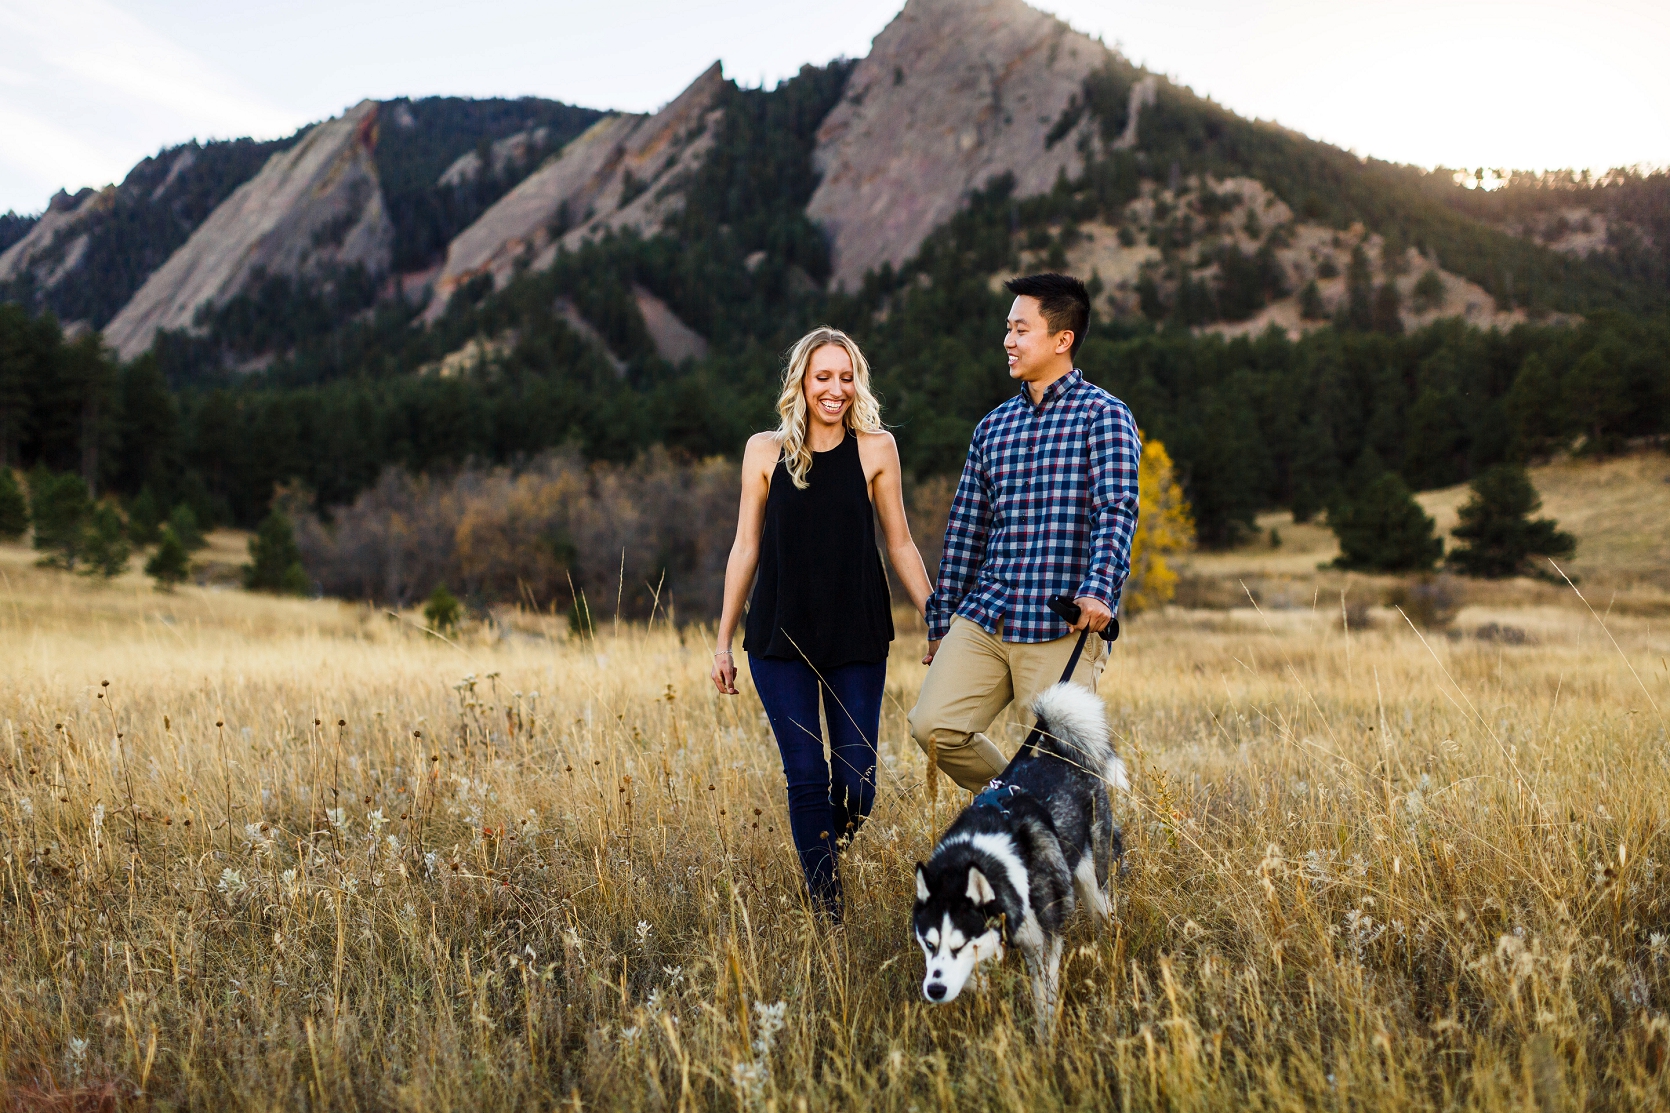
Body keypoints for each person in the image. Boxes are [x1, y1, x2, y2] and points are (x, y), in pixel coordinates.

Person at [712, 326, 933, 918]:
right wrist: (723, 640)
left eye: (845, 376)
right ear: (802, 383)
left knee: (858, 782)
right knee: (806, 775)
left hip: (857, 634)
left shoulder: (876, 448)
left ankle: (818, 856)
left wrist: (934, 618)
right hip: (778, 637)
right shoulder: (764, 451)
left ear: (856, 381)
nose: (834, 389)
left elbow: (902, 543)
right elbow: (745, 547)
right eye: (822, 377)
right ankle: (825, 907)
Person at [908, 273, 1140, 792]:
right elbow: (966, 529)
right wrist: (942, 618)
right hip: (988, 612)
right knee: (935, 727)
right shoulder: (993, 427)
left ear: (1063, 340)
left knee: (1064, 766)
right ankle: (1017, 805)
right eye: (1007, 329)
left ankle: (1073, 853)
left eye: (1021, 329)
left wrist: (1100, 589)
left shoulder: (1104, 417)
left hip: (1063, 618)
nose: (1008, 341)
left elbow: (1117, 510)